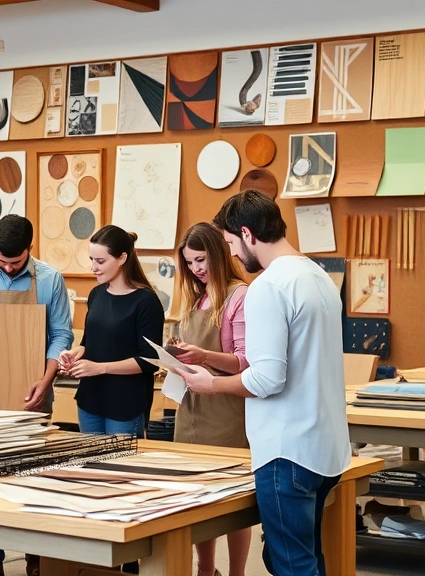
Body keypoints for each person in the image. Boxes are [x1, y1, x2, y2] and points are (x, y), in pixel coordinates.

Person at [177, 191, 351, 576]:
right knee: (300, 558)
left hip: (286, 451)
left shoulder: (268, 287)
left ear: (247, 234)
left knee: (292, 564)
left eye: (231, 245)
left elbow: (267, 378)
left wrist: (212, 385)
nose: (235, 255)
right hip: (323, 446)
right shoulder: (317, 275)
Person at [0, 214, 73, 576]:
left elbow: (60, 335)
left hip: (33, 392)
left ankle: (35, 555)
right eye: (2, 260)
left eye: (16, 262)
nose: (8, 267)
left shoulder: (51, 279)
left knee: (33, 477)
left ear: (30, 250)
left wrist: (47, 378)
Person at [174, 222, 251, 576]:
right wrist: (175, 362)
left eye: (201, 260)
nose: (197, 270)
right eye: (190, 263)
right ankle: (206, 570)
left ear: (219, 253)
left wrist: (203, 356)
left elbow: (245, 361)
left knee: (232, 502)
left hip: (225, 409)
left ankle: (235, 572)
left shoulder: (239, 296)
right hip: (190, 410)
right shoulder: (195, 297)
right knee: (194, 499)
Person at [59, 225, 163, 436]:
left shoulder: (146, 302)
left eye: (100, 261)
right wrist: (73, 354)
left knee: (119, 468)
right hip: (90, 400)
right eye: (92, 260)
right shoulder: (96, 294)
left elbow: (149, 361)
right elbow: (88, 343)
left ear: (122, 258)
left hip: (124, 405)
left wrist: (99, 368)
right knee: (90, 467)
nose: (93, 268)